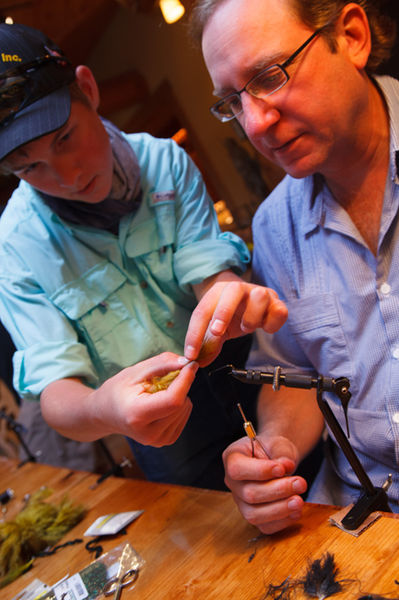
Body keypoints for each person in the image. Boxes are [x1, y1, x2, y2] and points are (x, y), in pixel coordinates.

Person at [0, 22, 287, 488]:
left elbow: (209, 274)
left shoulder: (165, 162)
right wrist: (104, 408)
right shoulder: (15, 247)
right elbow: (56, 390)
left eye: (65, 138)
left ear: (89, 90)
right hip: (156, 433)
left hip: (245, 377)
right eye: (30, 166)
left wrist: (228, 300)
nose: (67, 175)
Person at [189, 0, 399, 530]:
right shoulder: (274, 228)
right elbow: (299, 376)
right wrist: (275, 447)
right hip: (362, 510)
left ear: (352, 35)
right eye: (233, 102)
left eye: (270, 75)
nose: (256, 123)